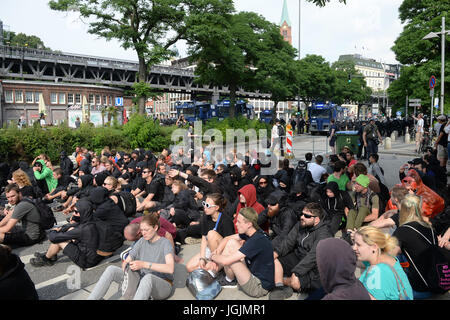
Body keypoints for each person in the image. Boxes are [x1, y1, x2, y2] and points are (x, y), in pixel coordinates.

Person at [88, 214, 175, 300]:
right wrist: (126, 266)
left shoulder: (165, 243)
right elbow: (129, 257)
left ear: (155, 228)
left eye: (146, 230)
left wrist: (144, 264)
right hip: (141, 279)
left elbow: (170, 268)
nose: (143, 233)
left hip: (162, 285)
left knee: (148, 278)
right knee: (111, 269)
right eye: (142, 230)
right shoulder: (142, 241)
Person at [270, 202, 332, 300]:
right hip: (298, 256)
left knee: (296, 283)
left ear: (316, 219)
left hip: (314, 266)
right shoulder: (300, 225)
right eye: (302, 214)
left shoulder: (324, 234)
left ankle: (282, 281)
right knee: (272, 260)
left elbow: (313, 256)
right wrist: (276, 252)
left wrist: (297, 272)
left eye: (306, 216)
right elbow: (288, 242)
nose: (302, 217)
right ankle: (279, 286)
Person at [392, 194, 450, 299]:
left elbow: (390, 254)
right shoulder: (430, 228)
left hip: (420, 288)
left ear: (403, 210)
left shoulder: (402, 231)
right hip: (437, 281)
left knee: (395, 258)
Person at [210, 207, 275, 298]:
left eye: (239, 222)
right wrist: (217, 251)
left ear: (249, 224)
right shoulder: (254, 232)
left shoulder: (256, 240)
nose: (236, 224)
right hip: (253, 274)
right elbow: (227, 238)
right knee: (231, 243)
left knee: (230, 259)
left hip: (258, 287)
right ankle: (229, 279)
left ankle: (229, 280)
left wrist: (212, 256)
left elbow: (226, 261)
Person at [30, 199, 104, 268]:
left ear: (82, 212)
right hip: (96, 254)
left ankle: (46, 259)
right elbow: (74, 225)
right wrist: (64, 228)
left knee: (59, 240)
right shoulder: (92, 218)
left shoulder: (83, 229)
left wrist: (54, 231)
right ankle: (51, 254)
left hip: (87, 261)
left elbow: (53, 238)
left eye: (76, 212)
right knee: (68, 231)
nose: (74, 213)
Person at [352, 226, 413, 300]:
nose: (354, 248)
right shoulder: (386, 257)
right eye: (354, 243)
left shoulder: (377, 272)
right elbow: (354, 261)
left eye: (358, 244)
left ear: (374, 247)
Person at [185, 193, 235, 273]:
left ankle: (218, 266)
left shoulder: (226, 221)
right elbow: (204, 239)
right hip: (210, 249)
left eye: (207, 205)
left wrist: (214, 260)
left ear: (216, 207)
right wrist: (202, 258)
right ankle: (211, 266)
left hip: (222, 252)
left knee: (212, 234)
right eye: (204, 203)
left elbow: (229, 244)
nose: (204, 207)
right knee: (189, 267)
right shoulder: (206, 216)